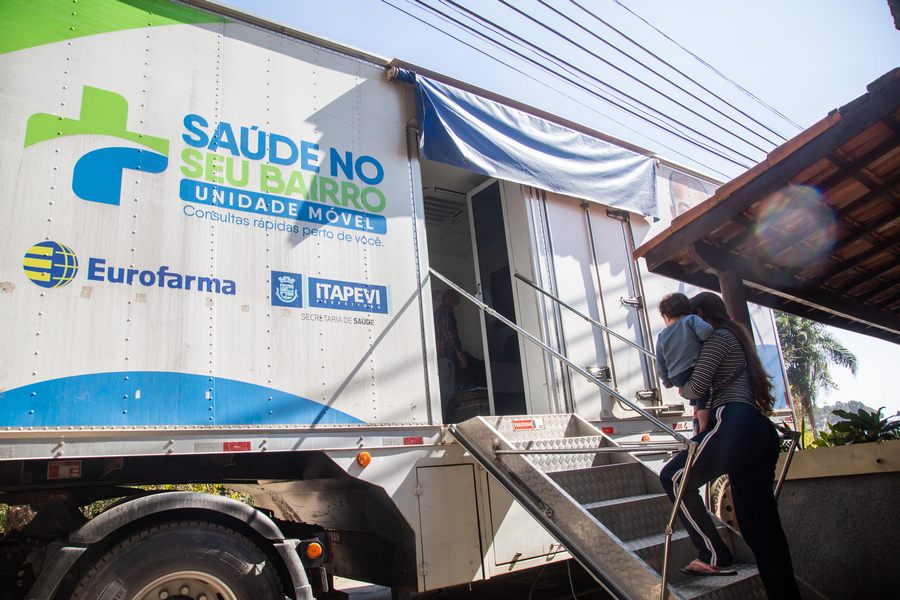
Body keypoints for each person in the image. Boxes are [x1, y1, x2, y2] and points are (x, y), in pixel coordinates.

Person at [659, 292, 800, 599]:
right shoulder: (735, 338)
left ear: (699, 315)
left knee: (673, 477)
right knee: (760, 528)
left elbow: (696, 386)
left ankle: (714, 554)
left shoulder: (716, 340)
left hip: (733, 422)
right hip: (756, 430)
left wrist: (681, 384)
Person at [655, 292, 713, 435]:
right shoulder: (690, 320)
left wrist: (667, 382)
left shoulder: (662, 336)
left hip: (676, 376)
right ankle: (704, 429)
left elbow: (660, 364)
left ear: (665, 316)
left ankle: (694, 418)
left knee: (694, 398)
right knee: (703, 398)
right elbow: (706, 332)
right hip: (692, 368)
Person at [434, 288, 467, 408]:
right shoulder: (446, 312)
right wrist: (460, 354)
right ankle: (445, 420)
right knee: (447, 392)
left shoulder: (437, 312)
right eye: (456, 302)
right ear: (450, 300)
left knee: (443, 390)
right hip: (445, 357)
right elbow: (449, 333)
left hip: (439, 357)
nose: (456, 305)